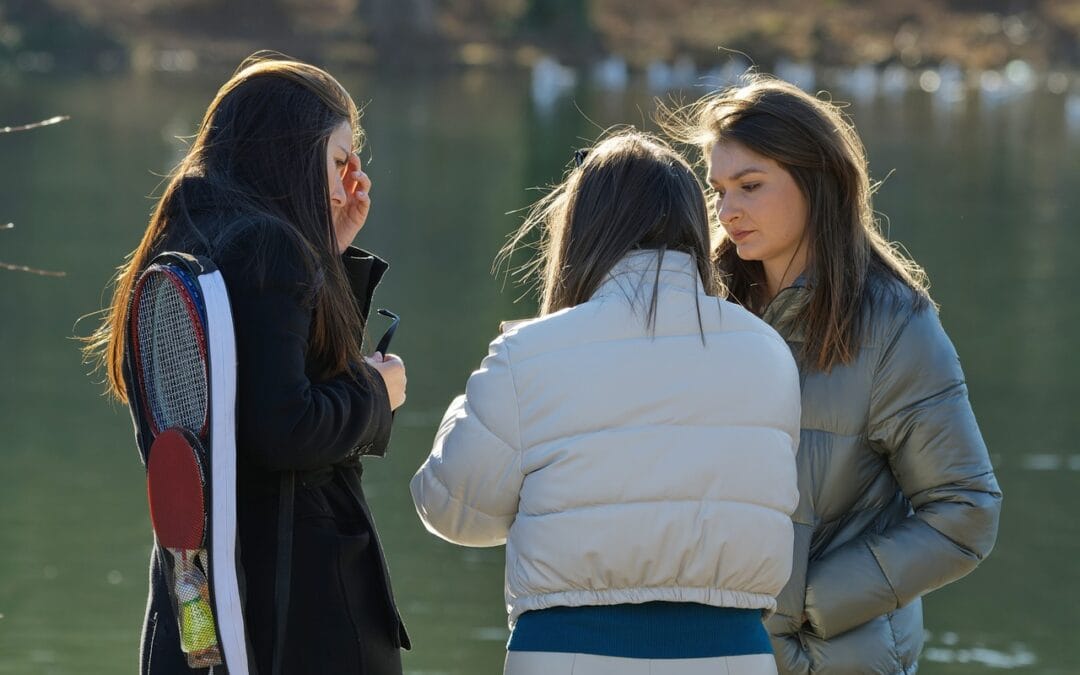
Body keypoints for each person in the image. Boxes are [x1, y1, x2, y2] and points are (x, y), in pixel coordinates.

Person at [411, 129, 802, 675]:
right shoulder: (768, 353)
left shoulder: (529, 353)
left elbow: (455, 511)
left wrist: (470, 400)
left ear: (580, 228)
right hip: (733, 652)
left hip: (567, 650)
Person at [660, 74, 1003, 674]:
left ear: (816, 181)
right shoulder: (698, 308)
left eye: (750, 186)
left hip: (835, 658)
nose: (726, 210)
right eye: (717, 190)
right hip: (705, 653)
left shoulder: (896, 326)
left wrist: (808, 604)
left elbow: (966, 512)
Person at [83, 54, 409, 675]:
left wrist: (329, 250)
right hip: (294, 611)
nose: (348, 184)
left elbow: (259, 379)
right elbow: (285, 428)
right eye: (339, 162)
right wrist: (376, 391)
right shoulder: (269, 247)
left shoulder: (182, 233)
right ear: (293, 153)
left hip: (197, 605)